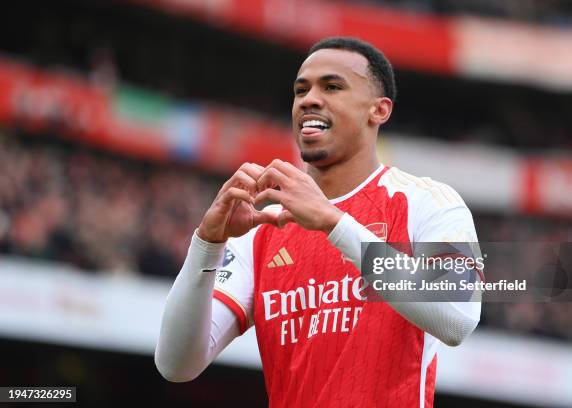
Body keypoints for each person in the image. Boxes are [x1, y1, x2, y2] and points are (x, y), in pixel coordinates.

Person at [155, 37, 482, 408]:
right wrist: (207, 244)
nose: (309, 99)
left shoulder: (427, 201)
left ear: (379, 111)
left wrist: (332, 223)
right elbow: (175, 364)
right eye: (301, 90)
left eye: (332, 86)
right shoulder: (263, 226)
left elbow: (458, 317)